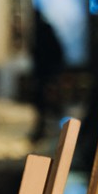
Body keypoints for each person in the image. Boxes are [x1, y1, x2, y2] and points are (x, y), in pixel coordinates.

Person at [28, 9, 65, 141]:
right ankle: (46, 129)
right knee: (44, 104)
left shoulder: (42, 31)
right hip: (44, 73)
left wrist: (52, 73)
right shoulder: (41, 31)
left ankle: (56, 130)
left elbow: (50, 54)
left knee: (46, 103)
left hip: (46, 74)